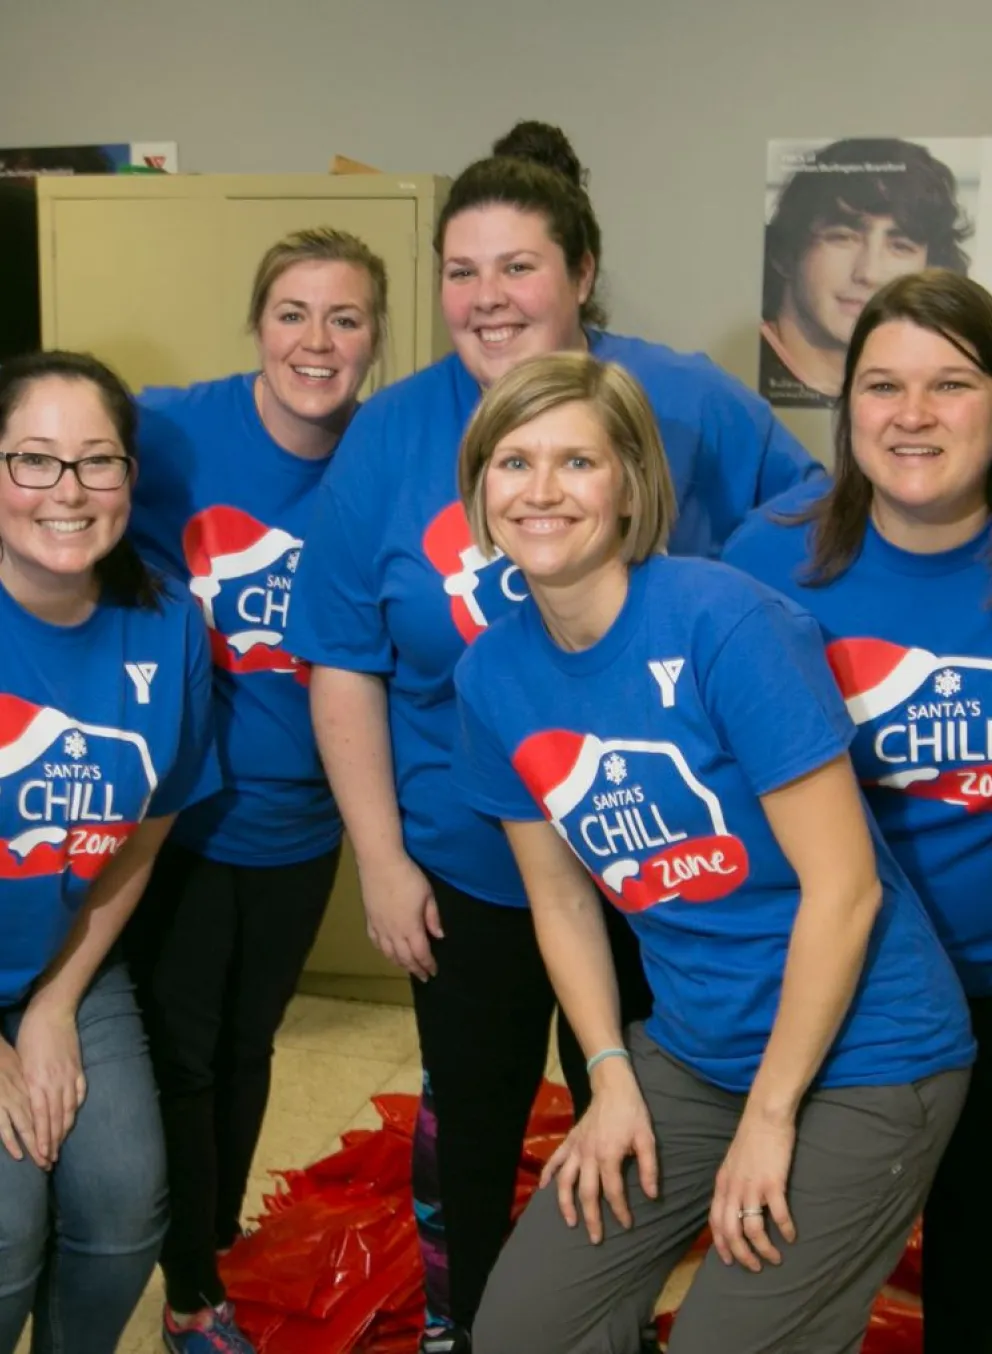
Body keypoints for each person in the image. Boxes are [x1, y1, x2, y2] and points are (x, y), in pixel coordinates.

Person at [285, 120, 825, 1354]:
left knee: (629, 1111)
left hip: (648, 861)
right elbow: (343, 657)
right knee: (472, 1113)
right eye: (460, 271)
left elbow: (812, 519)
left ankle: (602, 1327)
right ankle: (470, 1327)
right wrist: (381, 858)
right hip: (467, 860)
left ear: (580, 272)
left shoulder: (679, 399)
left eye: (517, 266)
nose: (487, 297)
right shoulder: (390, 435)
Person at [450, 349, 973, 1354]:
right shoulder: (491, 676)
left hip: (869, 1052)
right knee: (521, 1330)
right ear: (480, 489)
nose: (541, 491)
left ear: (630, 485)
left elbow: (844, 890)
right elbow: (562, 902)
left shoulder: (721, 621)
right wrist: (608, 1074)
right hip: (695, 1051)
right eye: (513, 462)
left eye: (577, 462)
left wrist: (770, 1118)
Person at [122, 226, 387, 1353]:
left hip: (301, 817)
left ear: (375, 337)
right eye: (292, 313)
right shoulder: (172, 429)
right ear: (256, 324)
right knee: (180, 1053)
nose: (316, 341)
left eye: (345, 318)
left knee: (248, 1043)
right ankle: (188, 1285)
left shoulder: (383, 457)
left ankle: (214, 1249)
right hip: (177, 814)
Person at [725, 266, 992, 1354]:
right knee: (789, 1272)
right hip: (838, 985)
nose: (912, 414)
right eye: (882, 386)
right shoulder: (765, 559)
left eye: (951, 384)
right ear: (847, 410)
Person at [0, 351, 218, 1354]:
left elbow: (146, 831)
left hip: (61, 960)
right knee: (7, 1226)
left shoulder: (167, 625)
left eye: (97, 461)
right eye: (34, 460)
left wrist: (53, 1003)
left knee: (127, 1203)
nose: (69, 491)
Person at [760, 137, 971, 407]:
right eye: (842, 237)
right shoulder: (738, 377)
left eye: (900, 246)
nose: (869, 273)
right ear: (786, 253)